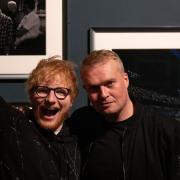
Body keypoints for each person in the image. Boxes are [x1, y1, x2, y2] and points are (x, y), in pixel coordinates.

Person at [69, 49, 180, 180]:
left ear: (125, 80)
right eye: (94, 88)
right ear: (86, 90)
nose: (103, 94)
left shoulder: (166, 130)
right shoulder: (80, 122)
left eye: (110, 84)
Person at [0, 56, 80, 180]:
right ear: (31, 96)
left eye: (60, 92)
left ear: (72, 99)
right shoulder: (13, 125)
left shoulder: (80, 138)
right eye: (42, 90)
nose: (50, 99)